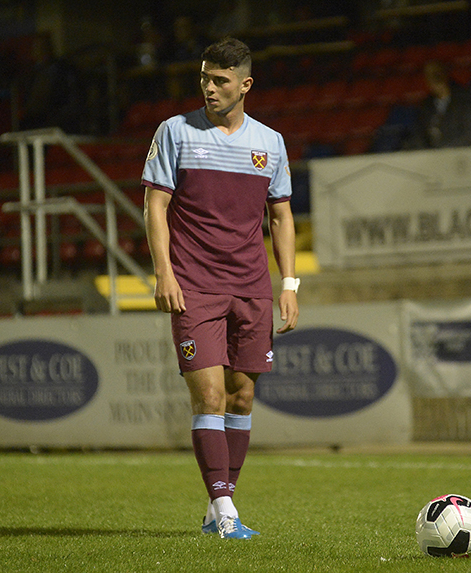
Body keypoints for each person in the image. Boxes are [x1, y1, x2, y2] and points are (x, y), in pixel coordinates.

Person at [142, 37, 299, 540]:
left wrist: (289, 285)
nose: (208, 88)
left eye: (220, 81)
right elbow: (155, 206)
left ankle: (219, 508)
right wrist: (164, 272)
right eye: (204, 79)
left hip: (251, 286)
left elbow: (281, 216)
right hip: (195, 284)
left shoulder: (270, 143)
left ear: (245, 85)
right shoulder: (174, 132)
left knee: (242, 396)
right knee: (208, 394)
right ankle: (226, 509)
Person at [406, 60, 471, 150]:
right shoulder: (427, 105)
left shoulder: (466, 100)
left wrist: (446, 149)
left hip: (460, 155)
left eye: (437, 74)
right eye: (430, 75)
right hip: (433, 158)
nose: (435, 78)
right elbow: (419, 135)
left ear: (445, 74)